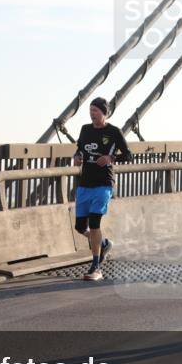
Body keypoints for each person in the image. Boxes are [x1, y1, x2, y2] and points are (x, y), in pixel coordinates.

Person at [73, 97, 132, 281]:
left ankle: (96, 266)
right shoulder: (85, 129)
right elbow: (79, 149)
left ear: (104, 113)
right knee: (80, 227)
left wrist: (110, 159)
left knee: (94, 223)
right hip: (85, 183)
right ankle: (105, 244)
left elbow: (128, 155)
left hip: (103, 184)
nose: (92, 114)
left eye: (96, 111)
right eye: (90, 110)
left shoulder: (114, 132)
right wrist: (76, 156)